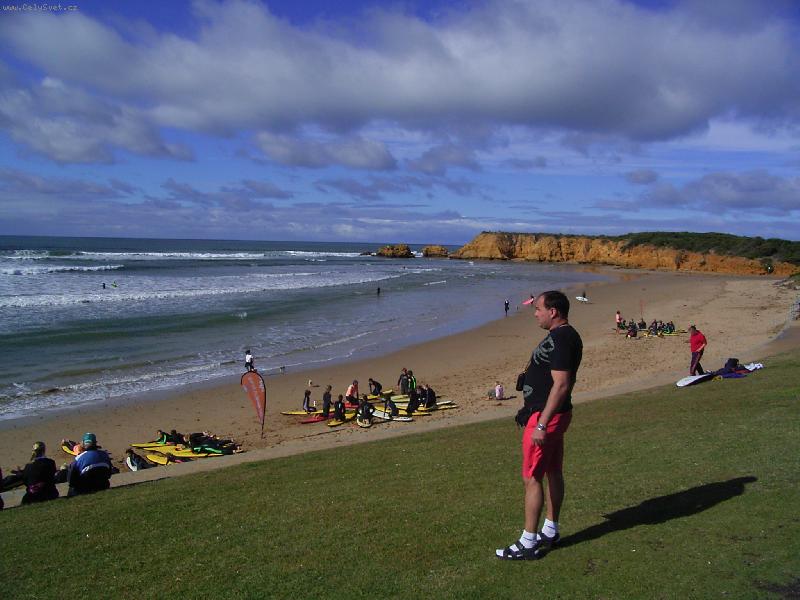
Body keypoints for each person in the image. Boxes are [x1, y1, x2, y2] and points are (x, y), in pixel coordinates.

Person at [497, 290, 582, 560]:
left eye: (538, 309)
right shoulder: (564, 335)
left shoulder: (563, 339)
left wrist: (542, 424)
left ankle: (528, 541)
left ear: (553, 312)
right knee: (553, 470)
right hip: (552, 414)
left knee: (531, 478)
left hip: (546, 416)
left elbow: (562, 384)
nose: (535, 314)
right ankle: (550, 529)